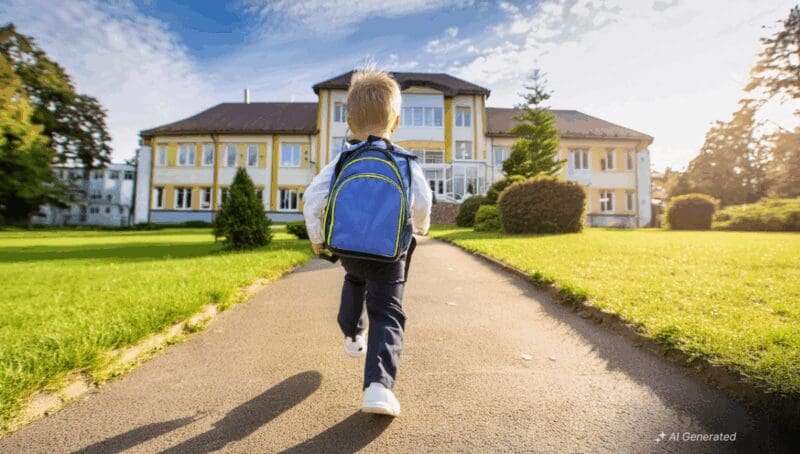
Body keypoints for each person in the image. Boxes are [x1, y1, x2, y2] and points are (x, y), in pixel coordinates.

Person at [303, 69, 432, 417]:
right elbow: (421, 202)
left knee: (354, 279)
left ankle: (351, 332)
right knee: (387, 311)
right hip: (389, 254)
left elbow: (312, 199)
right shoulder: (404, 162)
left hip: (349, 248)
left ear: (348, 120)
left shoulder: (342, 160)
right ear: (397, 121)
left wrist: (319, 241)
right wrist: (420, 229)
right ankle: (378, 386)